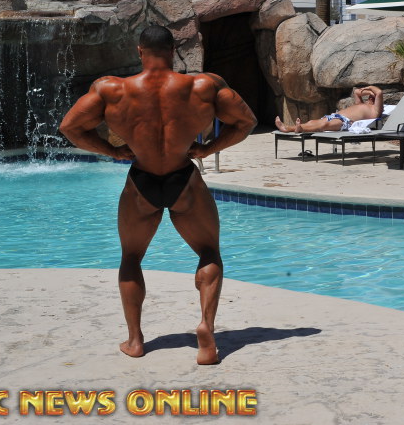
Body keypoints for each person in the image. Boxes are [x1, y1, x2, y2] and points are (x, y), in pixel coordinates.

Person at [60, 24, 257, 365]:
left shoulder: (111, 89)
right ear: (173, 50)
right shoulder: (203, 85)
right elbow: (246, 122)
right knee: (209, 252)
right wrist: (208, 149)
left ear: (139, 51)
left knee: (131, 258)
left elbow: (70, 128)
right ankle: (206, 331)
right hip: (183, 178)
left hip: (142, 182)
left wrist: (111, 150)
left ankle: (135, 341)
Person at [274, 85, 384, 133]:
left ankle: (289, 128)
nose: (370, 97)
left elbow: (379, 92)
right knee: (312, 122)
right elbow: (357, 92)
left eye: (372, 97)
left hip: (345, 122)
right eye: (370, 96)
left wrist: (369, 88)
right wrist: (368, 91)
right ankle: (296, 128)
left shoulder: (374, 111)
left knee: (323, 125)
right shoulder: (360, 104)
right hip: (335, 116)